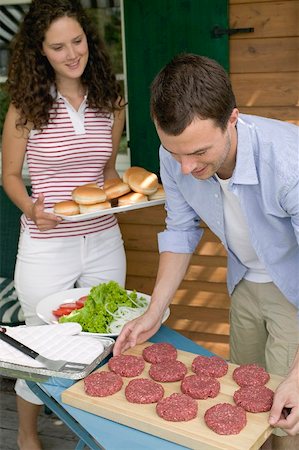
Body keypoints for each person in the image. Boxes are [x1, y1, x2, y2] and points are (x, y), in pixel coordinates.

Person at [114, 54, 299, 449]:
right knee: (240, 395)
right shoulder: (176, 154)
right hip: (245, 281)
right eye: (174, 151)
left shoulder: (290, 164)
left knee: (285, 415)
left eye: (198, 153)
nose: (184, 167)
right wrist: (153, 312)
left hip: (294, 290)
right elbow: (180, 230)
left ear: (232, 119)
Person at [1, 1, 126, 449]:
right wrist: (33, 209)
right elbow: (10, 176)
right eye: (59, 47)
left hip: (103, 239)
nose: (73, 53)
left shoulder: (112, 100)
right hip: (46, 244)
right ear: (41, 52)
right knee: (40, 349)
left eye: (78, 41)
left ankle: (91, 432)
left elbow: (107, 173)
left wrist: (130, 190)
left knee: (105, 341)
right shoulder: (26, 106)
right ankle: (28, 436)